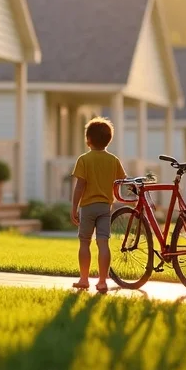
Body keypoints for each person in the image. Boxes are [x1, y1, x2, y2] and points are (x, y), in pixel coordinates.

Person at [70, 117, 127, 292]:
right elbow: (121, 181)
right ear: (108, 139)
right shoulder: (113, 160)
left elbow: (80, 186)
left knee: (84, 243)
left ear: (88, 140)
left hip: (87, 207)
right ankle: (102, 281)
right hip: (105, 207)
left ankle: (84, 279)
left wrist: (74, 208)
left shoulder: (84, 159)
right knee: (103, 244)